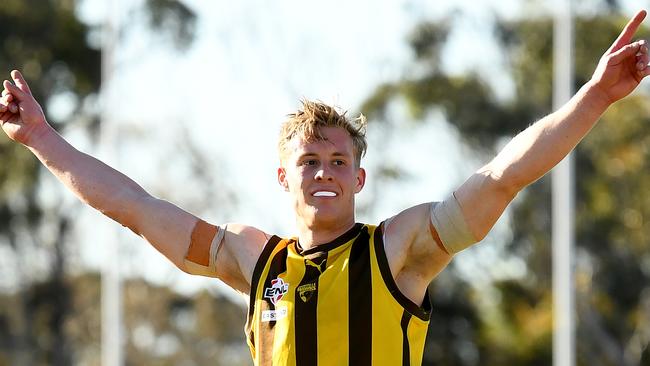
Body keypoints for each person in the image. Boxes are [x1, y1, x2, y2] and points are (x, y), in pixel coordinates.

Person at [1, 9, 649, 366]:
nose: (325, 172)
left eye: (339, 161)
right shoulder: (255, 260)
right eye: (310, 161)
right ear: (283, 177)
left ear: (360, 177)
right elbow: (137, 210)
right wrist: (41, 139)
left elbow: (503, 177)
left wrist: (594, 96)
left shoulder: (399, 250)